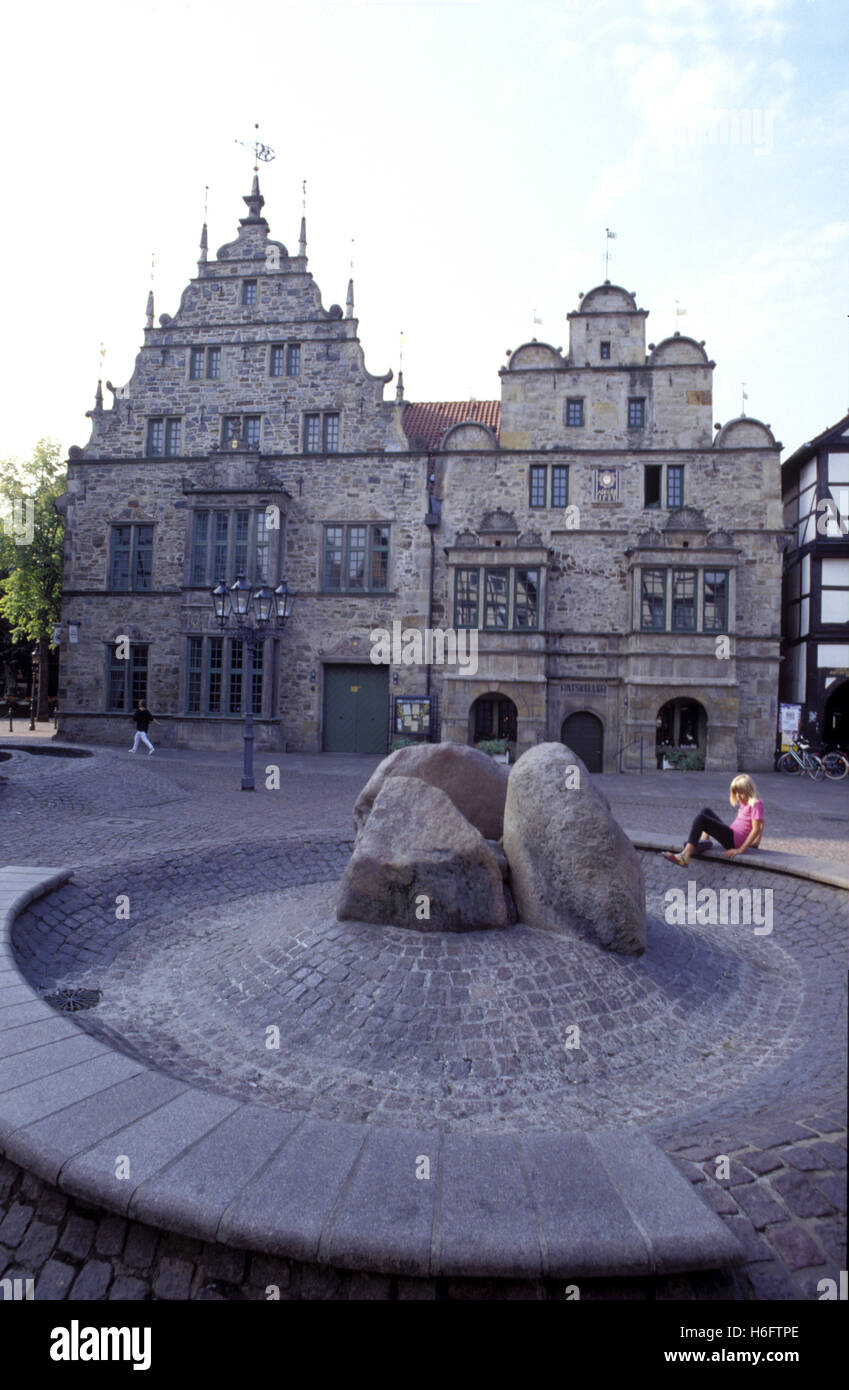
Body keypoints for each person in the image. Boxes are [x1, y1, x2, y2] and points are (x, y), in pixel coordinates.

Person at [663, 774, 764, 866]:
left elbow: (756, 828)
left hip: (733, 841)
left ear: (749, 790)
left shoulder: (755, 803)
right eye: (736, 793)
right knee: (706, 811)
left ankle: (685, 856)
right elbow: (762, 822)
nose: (738, 796)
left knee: (701, 819)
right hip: (732, 834)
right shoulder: (745, 804)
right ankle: (704, 842)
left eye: (741, 793)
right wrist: (756, 842)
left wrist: (741, 850)